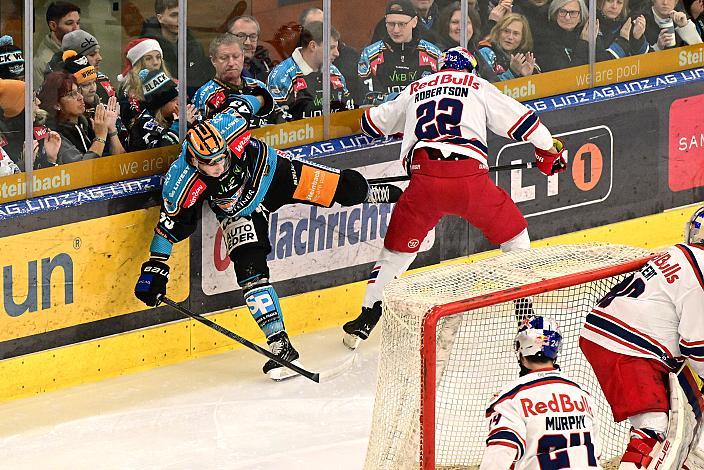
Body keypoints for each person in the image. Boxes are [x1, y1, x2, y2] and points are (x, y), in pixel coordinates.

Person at [133, 104, 401, 380]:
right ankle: (279, 343)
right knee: (251, 275)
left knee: (339, 188)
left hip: (273, 175)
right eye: (209, 163)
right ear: (194, 160)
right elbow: (168, 226)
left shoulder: (230, 126)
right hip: (240, 211)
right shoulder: (182, 180)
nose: (219, 166)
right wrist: (155, 266)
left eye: (221, 158)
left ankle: (369, 192)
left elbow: (260, 99)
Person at [342, 47, 567, 348]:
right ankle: (525, 316)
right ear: (471, 69)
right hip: (469, 180)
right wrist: (548, 150)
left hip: (424, 181)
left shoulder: (415, 88)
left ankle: (366, 318)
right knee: (515, 238)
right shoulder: (477, 86)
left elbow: (371, 124)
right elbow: (527, 123)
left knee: (396, 255)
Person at [579, 206, 704, 468]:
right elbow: (695, 347)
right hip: (626, 345)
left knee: (692, 414)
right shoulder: (701, 275)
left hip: (626, 337)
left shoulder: (679, 252)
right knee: (653, 430)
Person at [480, 316, 602, 469]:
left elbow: (498, 459)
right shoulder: (583, 395)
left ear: (520, 352)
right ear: (555, 351)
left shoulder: (509, 399)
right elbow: (596, 453)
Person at [358, 0, 442, 104]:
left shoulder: (433, 54)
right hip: (384, 116)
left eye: (402, 24)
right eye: (391, 24)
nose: (396, 30)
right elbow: (367, 97)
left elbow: (440, 96)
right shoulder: (370, 55)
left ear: (414, 22)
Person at [268, 22, 354, 121]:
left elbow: (348, 110)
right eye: (331, 48)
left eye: (337, 48)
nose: (337, 53)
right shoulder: (281, 76)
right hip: (298, 134)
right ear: (313, 46)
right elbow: (276, 123)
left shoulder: (333, 71)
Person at [192, 34, 281, 126]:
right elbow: (200, 135)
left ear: (242, 56)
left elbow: (279, 120)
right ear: (213, 60)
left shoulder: (259, 86)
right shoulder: (205, 95)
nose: (231, 63)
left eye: (236, 56)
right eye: (224, 58)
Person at [39, 70, 122, 162]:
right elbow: (83, 169)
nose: (80, 97)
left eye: (78, 91)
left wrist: (111, 130)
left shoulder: (88, 122)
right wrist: (100, 138)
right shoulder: (54, 133)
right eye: (72, 94)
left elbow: (121, 161)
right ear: (57, 104)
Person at [140, 0, 214, 94]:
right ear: (160, 18)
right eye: (174, 15)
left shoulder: (194, 45)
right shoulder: (148, 49)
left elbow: (201, 78)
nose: (180, 19)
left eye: (183, 14)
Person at [299, 8, 365, 105]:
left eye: (323, 26)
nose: (319, 31)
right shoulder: (292, 64)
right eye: (314, 27)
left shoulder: (350, 56)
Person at [127, 69, 198, 152]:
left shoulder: (172, 116)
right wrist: (180, 125)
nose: (180, 103)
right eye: (173, 100)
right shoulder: (144, 124)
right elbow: (161, 154)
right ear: (160, 106)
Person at [116, 38, 170, 131]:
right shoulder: (128, 92)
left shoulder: (169, 83)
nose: (156, 62)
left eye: (158, 57)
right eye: (148, 59)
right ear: (138, 63)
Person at [478, 13, 539, 81]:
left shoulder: (525, 61)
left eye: (516, 33)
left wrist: (525, 77)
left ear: (523, 38)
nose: (510, 37)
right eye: (506, 31)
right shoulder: (486, 52)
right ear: (498, 32)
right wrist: (512, 72)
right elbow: (488, 86)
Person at [34, 1, 80, 89]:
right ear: (53, 26)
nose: (76, 29)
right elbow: (41, 99)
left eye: (77, 23)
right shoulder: (42, 62)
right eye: (69, 23)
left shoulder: (80, 50)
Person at [227, 15, 273, 83]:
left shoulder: (263, 68)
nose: (248, 42)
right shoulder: (216, 70)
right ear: (228, 38)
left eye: (253, 37)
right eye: (241, 36)